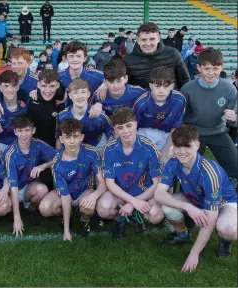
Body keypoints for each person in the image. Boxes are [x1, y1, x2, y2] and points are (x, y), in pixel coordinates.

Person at [154, 125, 237, 272]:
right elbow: (159, 194)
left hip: (224, 203)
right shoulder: (173, 163)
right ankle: (183, 235)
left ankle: (225, 242)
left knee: (228, 228)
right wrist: (188, 207)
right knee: (167, 205)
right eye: (177, 146)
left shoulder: (209, 172)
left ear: (197, 145)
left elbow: (210, 219)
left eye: (187, 146)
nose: (182, 151)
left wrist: (194, 253)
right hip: (196, 200)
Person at [97, 108, 164, 238]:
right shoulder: (109, 149)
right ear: (115, 130)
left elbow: (157, 184)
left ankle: (135, 213)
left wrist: (133, 203)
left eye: (129, 126)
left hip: (144, 193)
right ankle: (121, 217)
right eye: (120, 128)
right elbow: (110, 184)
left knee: (156, 215)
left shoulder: (149, 147)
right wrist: (133, 202)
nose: (125, 131)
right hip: (120, 194)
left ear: (136, 124)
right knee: (103, 209)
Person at [40, 118, 107, 240]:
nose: (72, 141)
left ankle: (84, 219)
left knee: (88, 205)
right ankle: (67, 216)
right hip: (66, 194)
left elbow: (103, 183)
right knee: (45, 208)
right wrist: (66, 231)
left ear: (81, 137)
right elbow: (65, 196)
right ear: (61, 139)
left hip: (84, 191)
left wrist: (94, 196)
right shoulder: (57, 163)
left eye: (75, 137)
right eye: (67, 137)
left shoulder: (91, 153)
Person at [180, 48, 237, 184]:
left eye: (215, 68)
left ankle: (231, 194)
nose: (211, 73)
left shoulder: (229, 89)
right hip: (193, 133)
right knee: (187, 169)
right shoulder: (188, 88)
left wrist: (234, 118)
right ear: (199, 68)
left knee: (235, 166)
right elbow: (181, 116)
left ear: (221, 68)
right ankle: (186, 194)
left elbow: (235, 119)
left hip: (218, 131)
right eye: (207, 68)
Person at [2, 115, 56, 235]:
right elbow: (14, 187)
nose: (24, 134)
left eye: (27, 130)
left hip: (27, 187)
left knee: (42, 190)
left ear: (33, 130)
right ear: (15, 132)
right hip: (12, 188)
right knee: (1, 208)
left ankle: (31, 208)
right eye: (20, 131)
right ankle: (12, 212)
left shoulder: (37, 144)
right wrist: (17, 218)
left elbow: (58, 157)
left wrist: (43, 166)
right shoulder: (10, 153)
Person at [133, 66, 186, 163]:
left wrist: (165, 152)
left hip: (167, 133)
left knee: (168, 160)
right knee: (143, 161)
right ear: (151, 86)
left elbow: (175, 127)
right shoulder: (141, 103)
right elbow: (133, 128)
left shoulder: (179, 100)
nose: (161, 90)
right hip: (145, 132)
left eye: (165, 86)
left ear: (172, 86)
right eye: (157, 86)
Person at [122, 22, 190, 89]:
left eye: (152, 39)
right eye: (143, 39)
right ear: (138, 40)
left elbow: (185, 82)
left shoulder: (173, 54)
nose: (148, 43)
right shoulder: (128, 60)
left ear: (158, 38)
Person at [57, 78, 112, 152]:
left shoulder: (100, 116)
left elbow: (112, 136)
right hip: (72, 153)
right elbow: (58, 138)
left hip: (98, 150)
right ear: (70, 95)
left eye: (83, 92)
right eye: (75, 93)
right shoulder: (62, 116)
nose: (80, 96)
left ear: (88, 94)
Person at [59, 41, 104, 106]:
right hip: (65, 115)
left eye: (78, 56)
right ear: (65, 58)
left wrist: (105, 84)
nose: (75, 59)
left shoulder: (96, 76)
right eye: (71, 56)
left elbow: (117, 80)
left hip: (90, 114)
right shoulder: (58, 77)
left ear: (85, 58)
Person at [27, 69, 65, 147]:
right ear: (38, 85)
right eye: (44, 86)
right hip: (36, 144)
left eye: (52, 86)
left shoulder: (62, 99)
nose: (48, 91)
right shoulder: (33, 98)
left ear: (58, 85)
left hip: (56, 145)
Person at [0, 70, 28, 148]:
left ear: (18, 87)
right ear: (0, 88)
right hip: (1, 147)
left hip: (23, 147)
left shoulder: (26, 107)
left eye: (13, 85)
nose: (10, 90)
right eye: (6, 86)